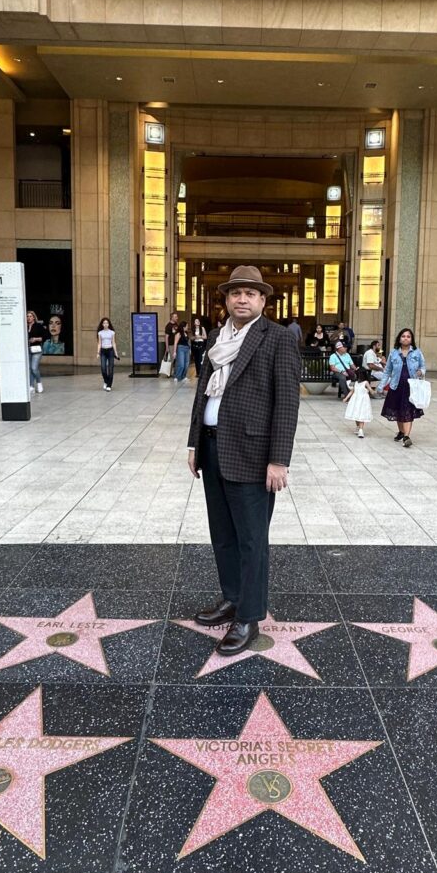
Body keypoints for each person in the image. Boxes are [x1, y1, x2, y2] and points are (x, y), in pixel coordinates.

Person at [187, 265, 301, 657]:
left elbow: (287, 403)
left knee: (252, 539)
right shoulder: (218, 337)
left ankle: (249, 616)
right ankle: (232, 597)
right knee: (223, 533)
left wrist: (278, 460)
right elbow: (203, 394)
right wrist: (194, 444)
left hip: (254, 456)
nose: (242, 299)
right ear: (226, 298)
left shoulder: (278, 339)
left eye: (250, 293)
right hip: (214, 446)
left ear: (263, 301)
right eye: (235, 292)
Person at [382, 328, 426, 447]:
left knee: (408, 411)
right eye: (403, 336)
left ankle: (407, 436)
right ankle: (401, 432)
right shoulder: (394, 353)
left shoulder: (417, 352)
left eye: (408, 336)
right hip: (396, 385)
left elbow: (423, 367)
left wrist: (420, 372)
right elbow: (387, 371)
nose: (405, 338)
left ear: (411, 339)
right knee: (397, 410)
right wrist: (381, 386)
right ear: (399, 339)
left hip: (411, 386)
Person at [343, 366, 374, 438]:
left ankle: (361, 430)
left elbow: (370, 390)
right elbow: (352, 391)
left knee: (361, 414)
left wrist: (372, 391)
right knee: (356, 414)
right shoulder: (356, 383)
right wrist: (346, 398)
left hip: (362, 401)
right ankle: (358, 427)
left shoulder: (365, 382)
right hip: (356, 400)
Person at [26, 310, 47, 394]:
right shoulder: (25, 326)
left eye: (30, 316)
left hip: (37, 350)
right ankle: (31, 386)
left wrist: (36, 339)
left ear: (34, 317)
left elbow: (45, 336)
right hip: (27, 349)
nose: (28, 318)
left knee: (34, 368)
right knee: (30, 368)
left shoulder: (38, 326)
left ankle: (39, 383)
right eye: (27, 316)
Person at [96, 317, 119, 391]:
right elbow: (99, 343)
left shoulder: (112, 332)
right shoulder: (100, 333)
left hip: (110, 351)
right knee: (103, 368)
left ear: (109, 324)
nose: (105, 324)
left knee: (111, 368)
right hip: (103, 351)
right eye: (104, 323)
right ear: (102, 324)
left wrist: (116, 353)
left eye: (107, 323)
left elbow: (114, 343)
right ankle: (106, 381)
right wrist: (98, 352)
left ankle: (109, 385)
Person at [173, 319, 191, 383]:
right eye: (187, 326)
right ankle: (177, 376)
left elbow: (188, 342)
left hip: (187, 349)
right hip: (181, 348)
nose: (187, 327)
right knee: (181, 364)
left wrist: (190, 349)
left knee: (186, 364)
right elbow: (175, 342)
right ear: (183, 327)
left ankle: (183, 376)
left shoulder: (186, 333)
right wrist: (174, 352)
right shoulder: (178, 333)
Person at [163, 311, 179, 376]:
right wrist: (167, 347)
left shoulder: (176, 325)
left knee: (177, 359)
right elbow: (166, 337)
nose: (177, 318)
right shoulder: (168, 326)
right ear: (171, 317)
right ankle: (168, 373)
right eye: (175, 317)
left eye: (177, 317)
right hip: (171, 345)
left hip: (177, 344)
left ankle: (175, 372)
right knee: (171, 359)